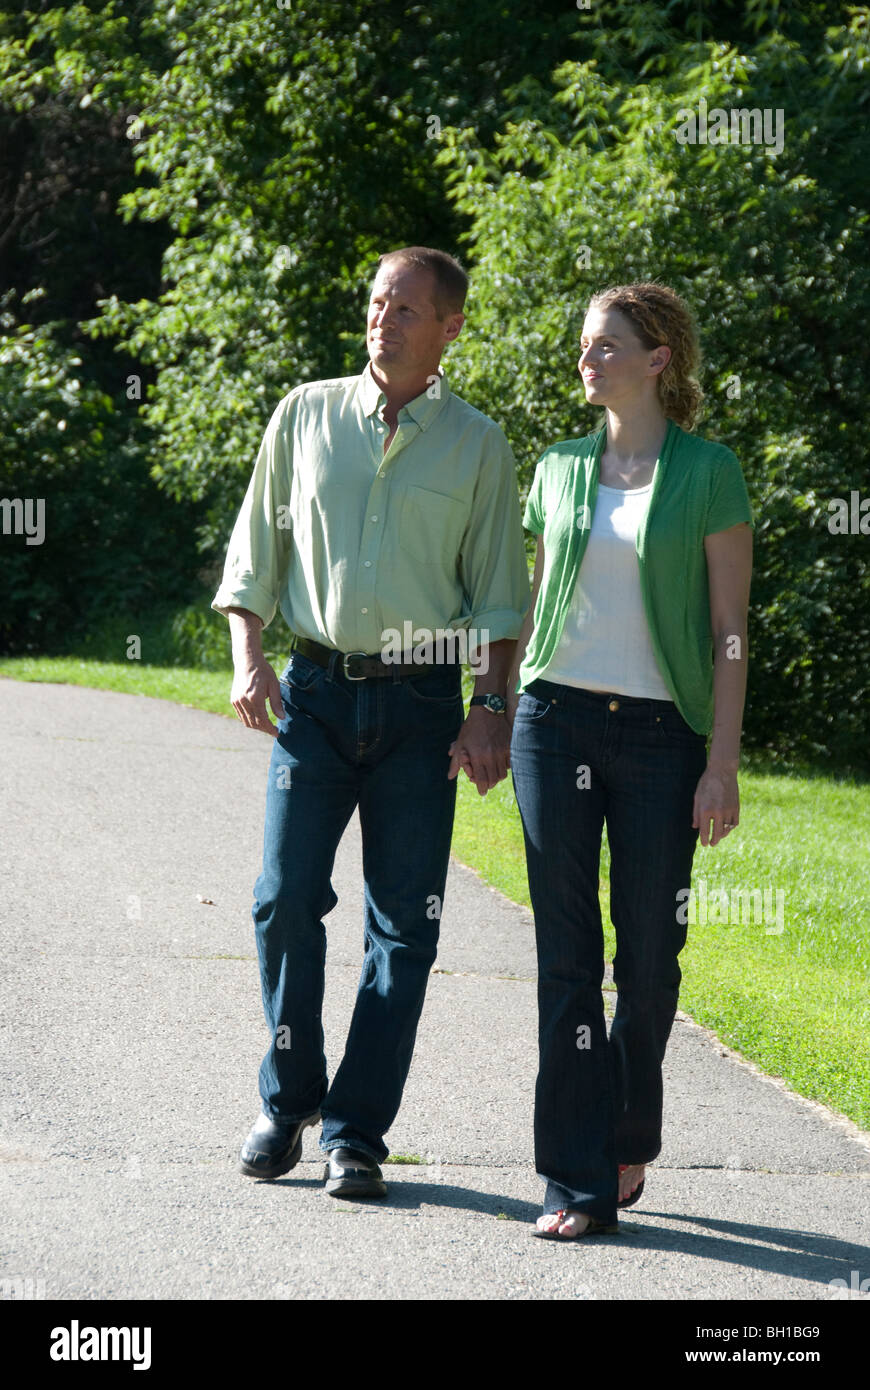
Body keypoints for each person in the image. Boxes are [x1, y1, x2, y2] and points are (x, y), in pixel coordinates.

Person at [212, 246, 529, 1199]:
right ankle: (287, 1097)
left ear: (451, 328)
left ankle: (356, 1132)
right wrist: (248, 655)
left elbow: (500, 604)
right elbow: (253, 552)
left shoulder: (480, 446)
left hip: (425, 708)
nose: (384, 317)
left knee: (405, 928)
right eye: (377, 301)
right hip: (313, 693)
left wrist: (488, 711)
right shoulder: (304, 414)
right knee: (281, 899)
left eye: (407, 307)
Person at [507, 282, 753, 1238]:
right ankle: (574, 1178)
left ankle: (628, 1134)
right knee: (564, 962)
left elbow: (731, 630)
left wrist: (720, 764)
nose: (587, 358)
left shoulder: (709, 472)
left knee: (648, 959)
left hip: (662, 738)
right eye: (583, 344)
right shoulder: (559, 466)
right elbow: (534, 603)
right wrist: (494, 705)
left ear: (658, 359)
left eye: (606, 345)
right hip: (553, 721)